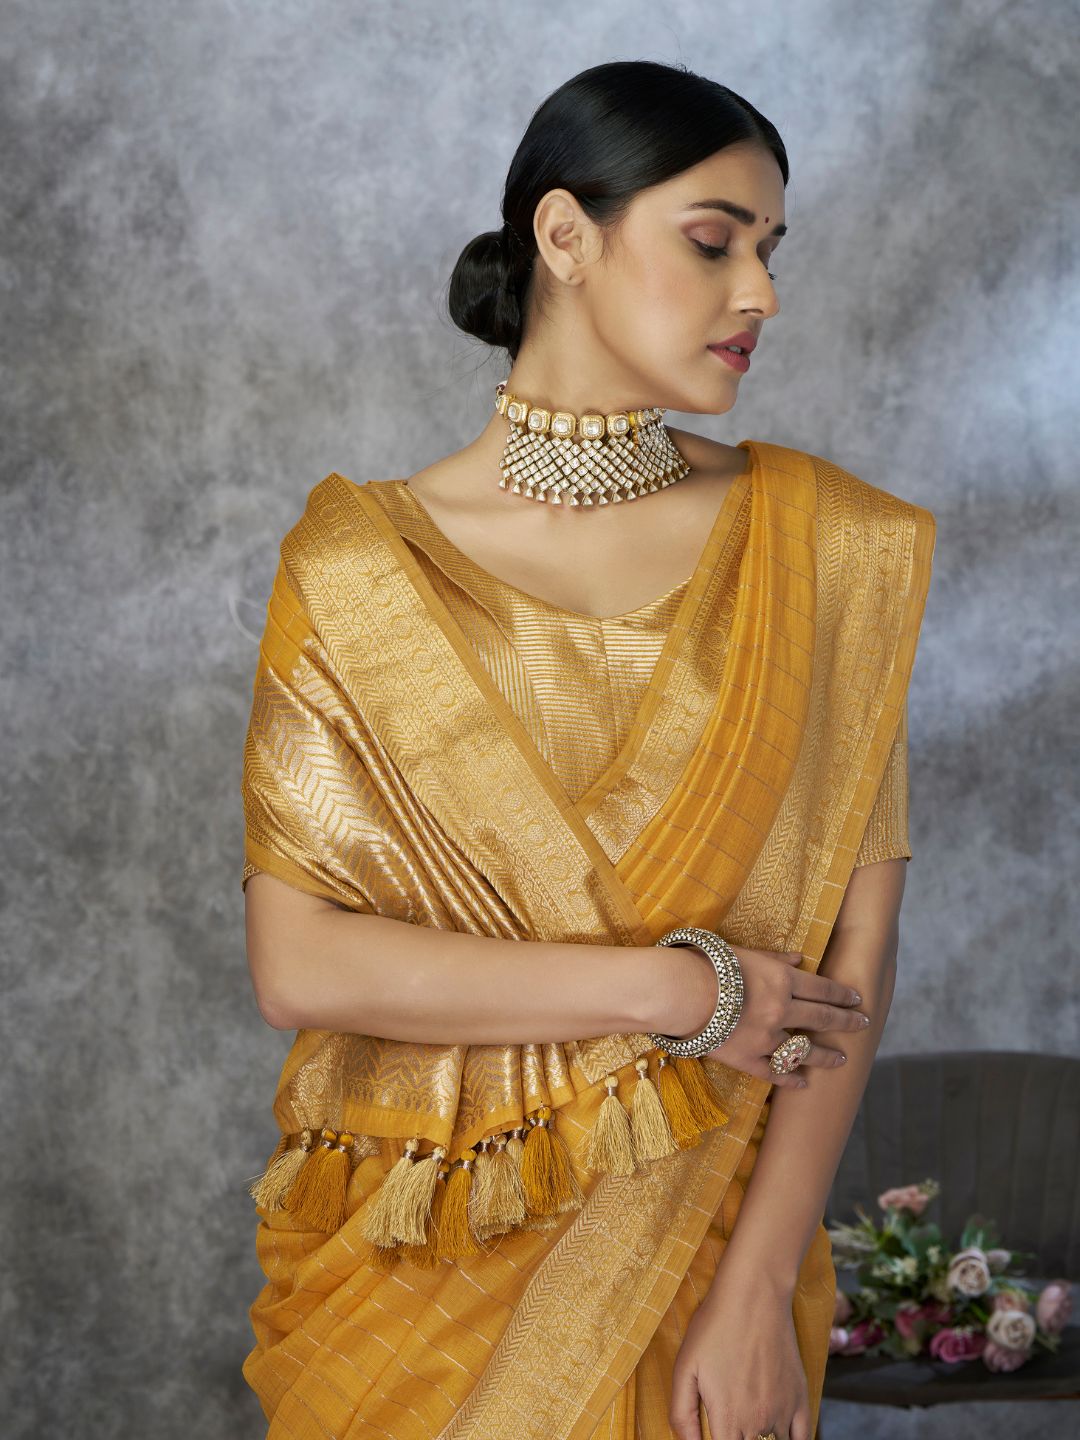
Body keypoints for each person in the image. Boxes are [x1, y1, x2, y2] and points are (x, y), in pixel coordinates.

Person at [238, 59, 935, 1440]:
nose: (762, 293)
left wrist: (755, 1294)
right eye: (714, 241)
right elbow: (299, 963)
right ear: (564, 235)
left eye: (772, 250)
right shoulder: (358, 572)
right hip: (417, 1257)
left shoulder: (830, 549)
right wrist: (676, 992)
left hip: (710, 1251)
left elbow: (851, 968)